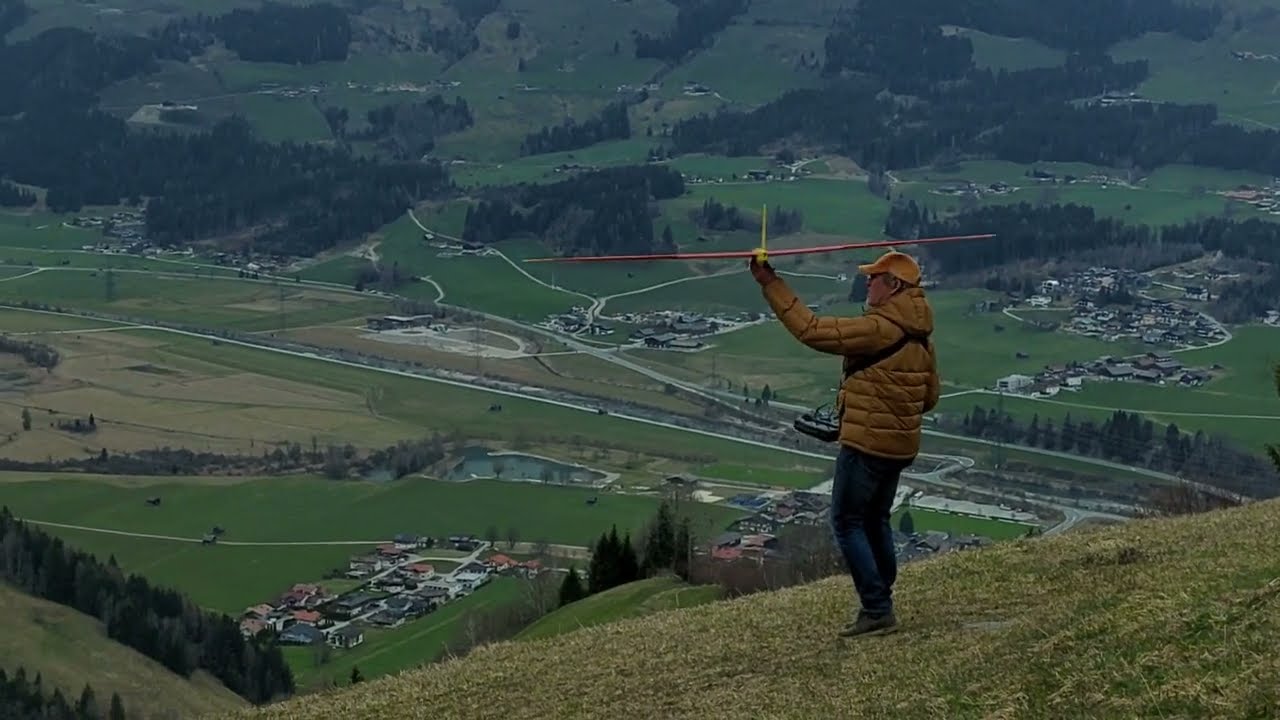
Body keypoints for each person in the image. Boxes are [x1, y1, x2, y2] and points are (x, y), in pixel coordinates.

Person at [749, 249, 939, 638]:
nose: (867, 282)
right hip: (900, 447)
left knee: (846, 521)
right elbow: (930, 397)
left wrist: (770, 283)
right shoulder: (921, 338)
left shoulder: (878, 329)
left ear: (894, 286)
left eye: (874, 278)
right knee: (875, 519)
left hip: (866, 445)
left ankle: (877, 607)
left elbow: (812, 330)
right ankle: (881, 595)